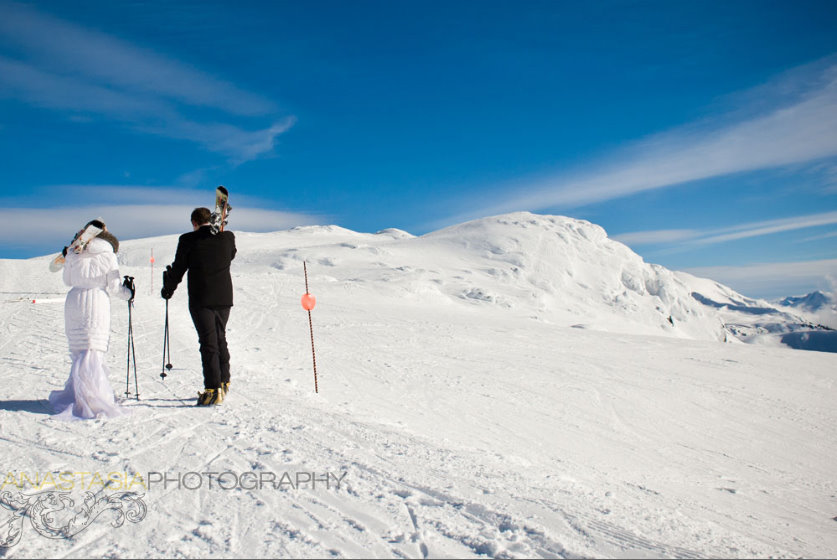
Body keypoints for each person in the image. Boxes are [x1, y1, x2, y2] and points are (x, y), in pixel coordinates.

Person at [49, 219, 135, 420]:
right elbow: (114, 287)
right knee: (93, 350)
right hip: (96, 301)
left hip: (74, 300)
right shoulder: (108, 253)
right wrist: (128, 293)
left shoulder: (74, 251)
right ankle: (94, 398)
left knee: (79, 351)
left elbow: (67, 281)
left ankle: (77, 394)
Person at [161, 207, 236, 406]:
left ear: (194, 223)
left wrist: (168, 288)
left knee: (208, 342)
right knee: (220, 338)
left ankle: (212, 391)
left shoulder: (188, 240)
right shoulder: (227, 237)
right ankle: (223, 382)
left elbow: (178, 269)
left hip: (201, 298)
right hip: (223, 298)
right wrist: (218, 234)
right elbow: (231, 255)